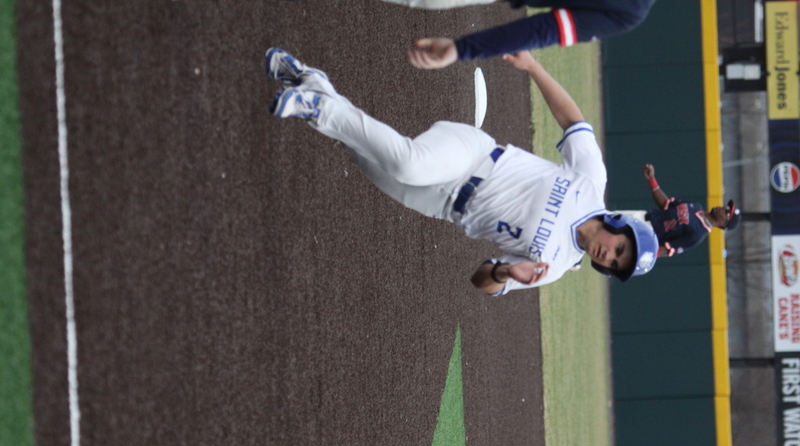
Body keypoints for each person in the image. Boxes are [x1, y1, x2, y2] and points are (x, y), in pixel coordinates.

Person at [265, 47, 658, 295]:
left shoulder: (550, 269)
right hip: (473, 155)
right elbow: (573, 120)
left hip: (444, 206)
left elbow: (481, 282)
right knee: (406, 162)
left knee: (361, 152)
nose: (609, 256)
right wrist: (533, 66)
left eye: (613, 264)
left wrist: (505, 272)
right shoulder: (591, 184)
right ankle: (319, 108)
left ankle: (317, 87)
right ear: (619, 227)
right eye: (619, 249)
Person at [391, 0, 658, 70]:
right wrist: (462, 49)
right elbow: (542, 31)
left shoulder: (631, 10)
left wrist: (464, 48)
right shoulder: (632, 10)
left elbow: (543, 29)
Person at [616, 164, 741, 258]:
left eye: (726, 212)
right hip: (641, 215)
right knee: (604, 219)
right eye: (726, 207)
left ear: (724, 224)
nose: (723, 208)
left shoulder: (698, 235)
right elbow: (666, 204)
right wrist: (652, 179)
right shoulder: (696, 206)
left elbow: (668, 249)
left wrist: (638, 254)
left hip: (644, 234)